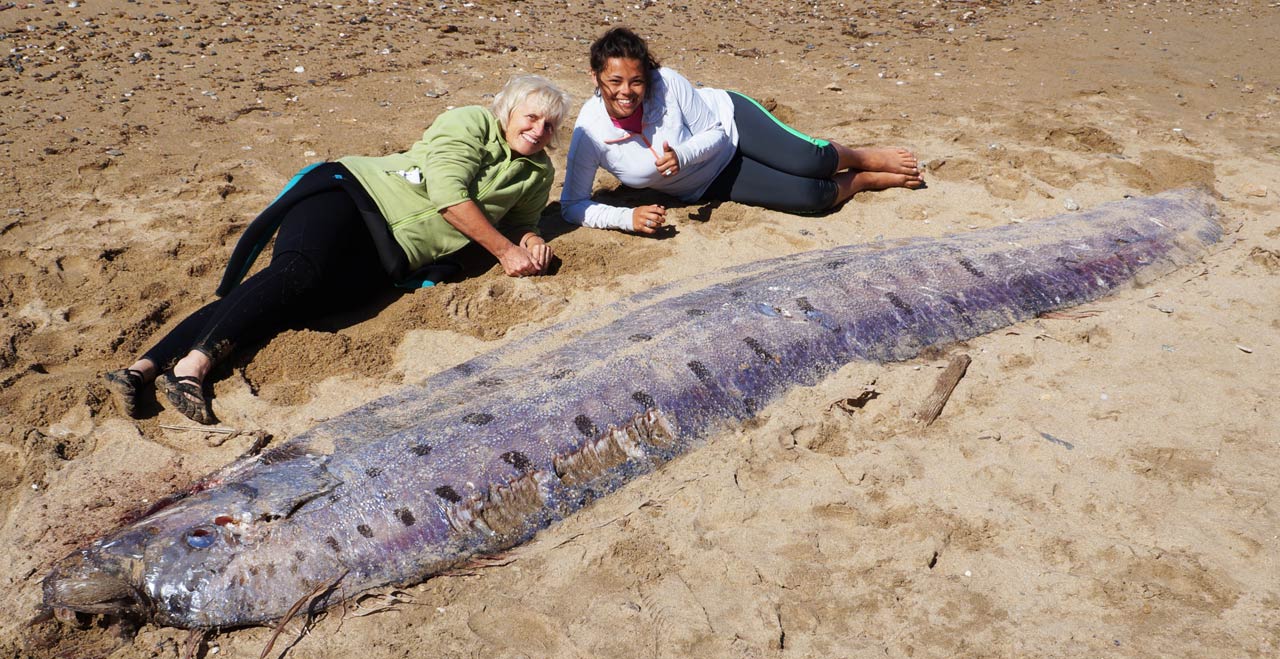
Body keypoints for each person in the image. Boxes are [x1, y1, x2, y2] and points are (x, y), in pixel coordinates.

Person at [104, 75, 571, 425]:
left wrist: (529, 241)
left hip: (393, 252)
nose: (537, 129)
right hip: (356, 196)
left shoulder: (537, 174)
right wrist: (506, 252)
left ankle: (140, 370)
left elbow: (521, 223)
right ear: (507, 111)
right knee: (297, 272)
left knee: (290, 298)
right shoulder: (470, 122)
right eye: (530, 116)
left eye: (549, 125)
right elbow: (449, 194)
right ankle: (192, 368)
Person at [561, 27, 924, 234]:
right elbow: (572, 206)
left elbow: (716, 132)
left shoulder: (667, 83)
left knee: (810, 160)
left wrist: (682, 155)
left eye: (637, 81)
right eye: (615, 81)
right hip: (708, 183)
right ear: (595, 78)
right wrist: (627, 218)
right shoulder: (589, 132)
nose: (627, 92)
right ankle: (863, 180)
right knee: (811, 199)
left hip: (733, 124)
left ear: (648, 76)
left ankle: (862, 156)